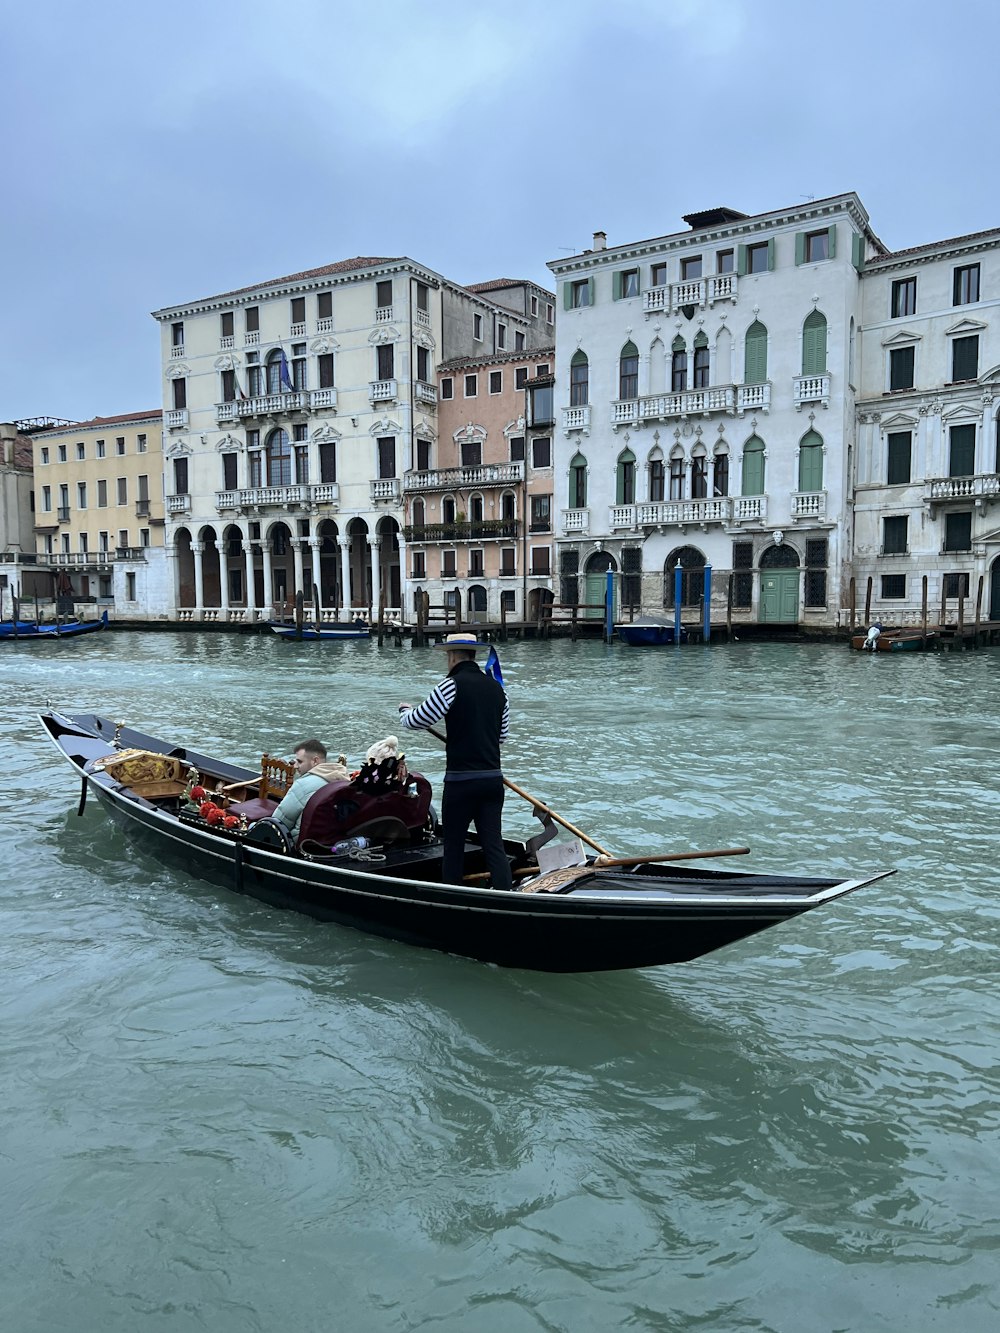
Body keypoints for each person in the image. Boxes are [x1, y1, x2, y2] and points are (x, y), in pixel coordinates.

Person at [398, 632, 511, 890]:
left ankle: (453, 898)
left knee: (454, 847)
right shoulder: (499, 690)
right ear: (472, 656)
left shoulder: (450, 685)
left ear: (451, 657)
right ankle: (506, 894)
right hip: (493, 781)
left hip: (462, 782)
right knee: (494, 845)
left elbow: (417, 720)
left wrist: (404, 711)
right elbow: (501, 737)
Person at [271, 739, 348, 841]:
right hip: (330, 840)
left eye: (300, 761)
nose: (295, 766)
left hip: (299, 843)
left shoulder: (303, 785)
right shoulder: (344, 781)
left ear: (315, 761)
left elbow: (278, 823)